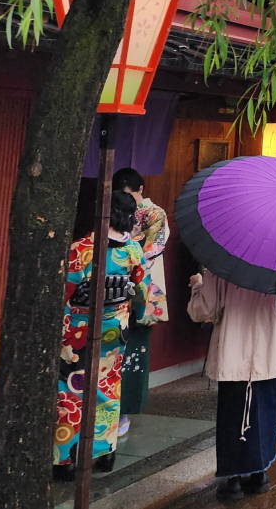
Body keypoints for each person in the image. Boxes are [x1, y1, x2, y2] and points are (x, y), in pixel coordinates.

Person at [53, 191, 155, 480]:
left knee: (72, 389)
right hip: (115, 330)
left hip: (78, 330)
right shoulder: (133, 250)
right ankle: (104, 452)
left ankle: (66, 458)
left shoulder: (81, 248)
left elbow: (67, 292)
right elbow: (141, 293)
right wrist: (125, 303)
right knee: (107, 387)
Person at [188, 270, 276, 502]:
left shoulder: (222, 266)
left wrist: (198, 285)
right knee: (265, 414)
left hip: (235, 352)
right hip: (270, 352)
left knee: (233, 417)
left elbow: (202, 311)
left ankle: (234, 481)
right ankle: (260, 475)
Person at [116, 168, 169, 434]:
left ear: (141, 190)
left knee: (134, 350)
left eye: (131, 194)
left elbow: (153, 250)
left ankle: (126, 411)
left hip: (143, 288)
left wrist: (125, 254)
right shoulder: (117, 210)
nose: (129, 199)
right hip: (118, 286)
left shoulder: (155, 213)